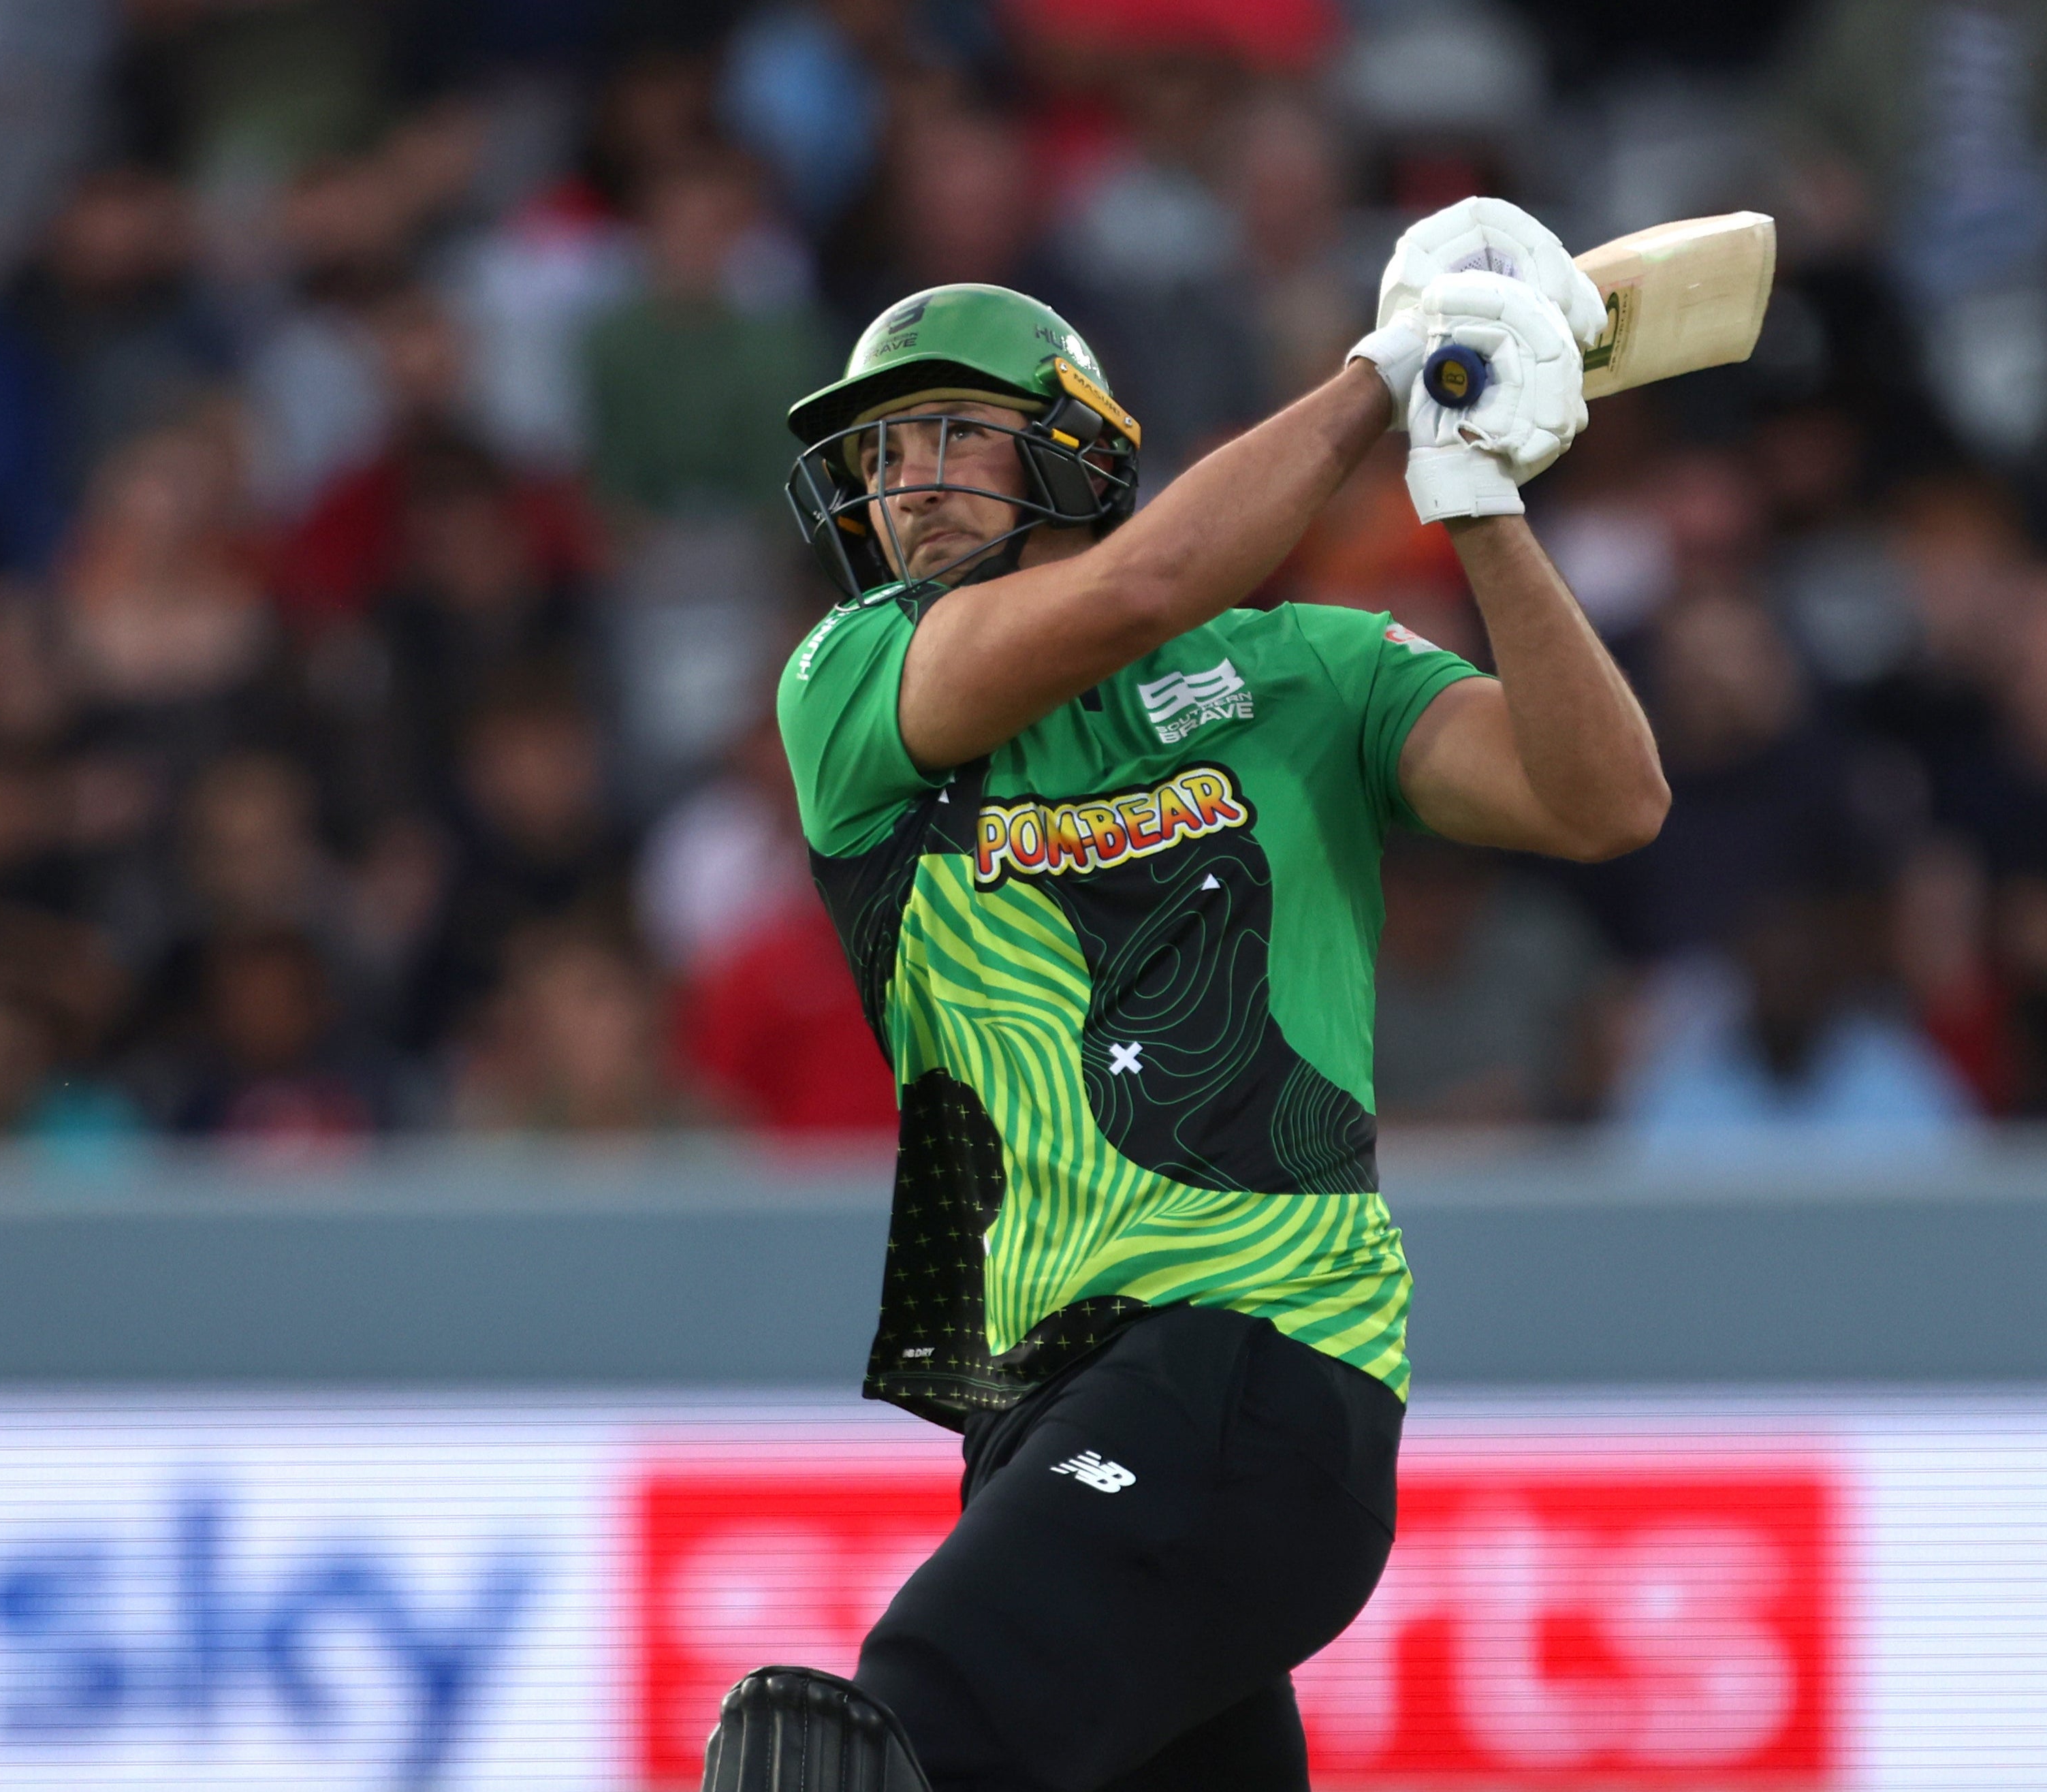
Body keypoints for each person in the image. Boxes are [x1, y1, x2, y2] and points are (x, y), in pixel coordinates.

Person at [713, 200, 1668, 1792]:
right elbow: (1137, 592)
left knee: (886, 1729)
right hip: (1041, 1414)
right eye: (879, 456)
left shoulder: (1312, 670)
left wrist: (1475, 498)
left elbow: (1601, 799)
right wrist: (1380, 375)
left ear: (1074, 453)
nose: (902, 484)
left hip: (1254, 1356)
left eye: (951, 432)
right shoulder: (849, 682)